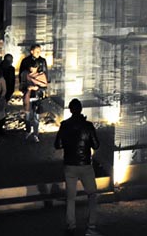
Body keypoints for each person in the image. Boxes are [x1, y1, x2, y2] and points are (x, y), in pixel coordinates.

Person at [55, 98, 101, 235]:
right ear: (81, 109)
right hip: (85, 164)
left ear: (70, 110)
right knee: (92, 195)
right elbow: (96, 145)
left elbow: (57, 145)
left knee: (70, 197)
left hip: (70, 165)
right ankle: (91, 227)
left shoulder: (64, 125)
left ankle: (71, 226)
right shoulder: (88, 126)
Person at [19, 43, 48, 142]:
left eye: (39, 51)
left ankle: (35, 133)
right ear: (32, 51)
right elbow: (21, 77)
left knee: (36, 115)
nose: (38, 53)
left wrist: (40, 89)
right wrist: (25, 88)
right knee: (27, 114)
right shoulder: (25, 62)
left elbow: (45, 78)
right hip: (28, 93)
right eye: (37, 51)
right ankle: (28, 130)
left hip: (37, 94)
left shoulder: (42, 61)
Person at [0, 53, 16, 136]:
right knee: (0, 111)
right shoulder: (6, 68)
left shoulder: (0, 67)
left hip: (3, 92)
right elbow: (12, 82)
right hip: (1, 92)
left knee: (1, 111)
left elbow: (12, 82)